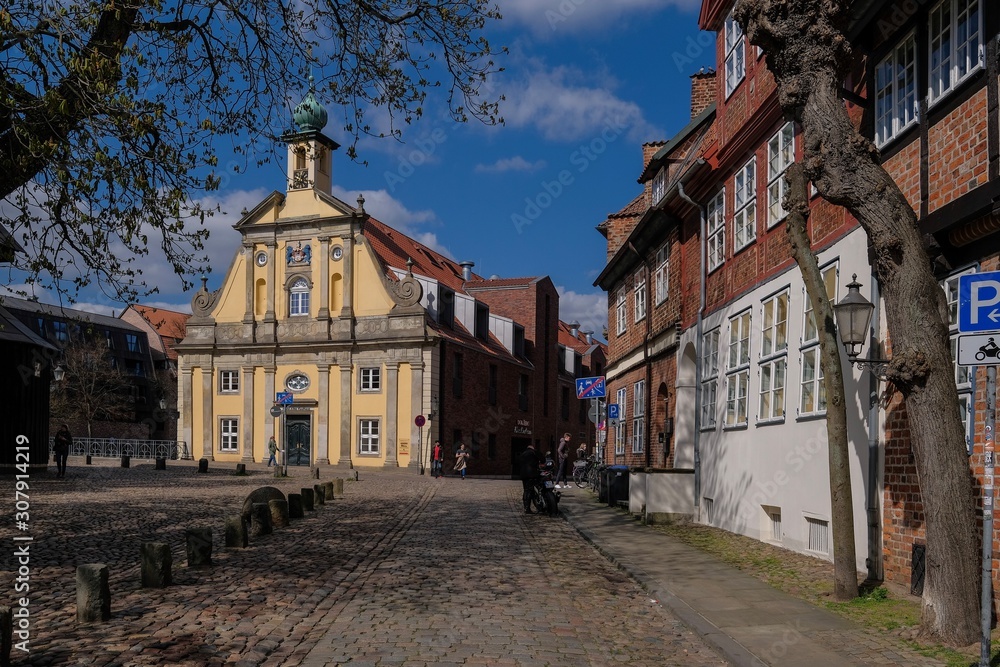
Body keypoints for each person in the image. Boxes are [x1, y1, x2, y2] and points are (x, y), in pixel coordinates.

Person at [519, 442, 541, 514]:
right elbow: (543, 459)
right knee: (529, 490)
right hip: (531, 474)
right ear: (532, 447)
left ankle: (526, 507)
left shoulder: (523, 454)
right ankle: (527, 509)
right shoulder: (534, 452)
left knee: (526, 490)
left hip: (523, 475)